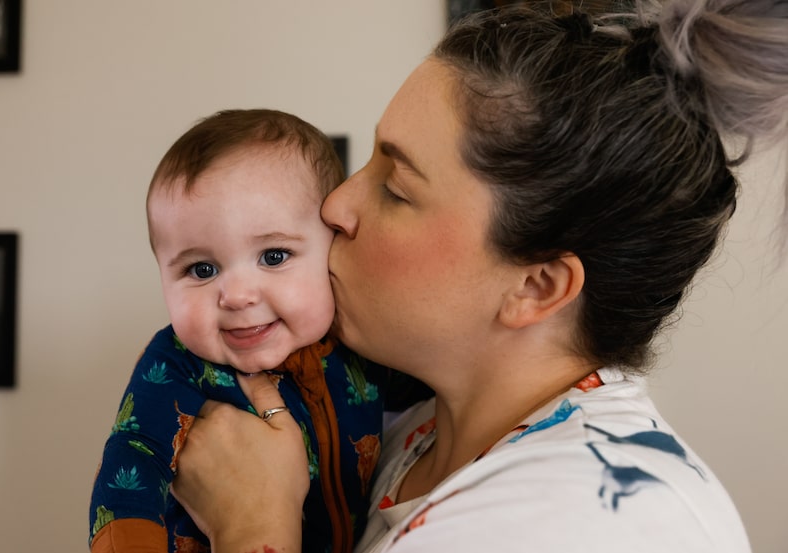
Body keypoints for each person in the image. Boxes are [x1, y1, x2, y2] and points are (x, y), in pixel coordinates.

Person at [168, 1, 788, 552]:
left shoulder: (587, 521)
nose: (335, 207)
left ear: (535, 287)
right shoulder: (409, 429)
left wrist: (253, 525)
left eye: (396, 189)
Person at [88, 109, 386, 553]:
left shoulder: (363, 346)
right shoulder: (174, 364)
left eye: (273, 256)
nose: (238, 296)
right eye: (202, 269)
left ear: (333, 249)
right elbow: (134, 455)